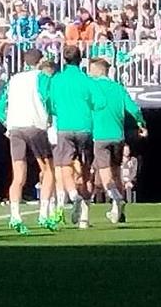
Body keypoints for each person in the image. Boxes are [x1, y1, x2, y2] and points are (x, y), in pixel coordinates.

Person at [0, 51, 56, 234]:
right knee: (48, 170)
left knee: (18, 175)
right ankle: (44, 214)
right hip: (35, 125)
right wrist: (50, 117)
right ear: (40, 61)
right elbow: (48, 99)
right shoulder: (42, 77)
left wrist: (7, 124)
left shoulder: (13, 80)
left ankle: (14, 216)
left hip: (15, 128)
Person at [84, 54, 146, 227]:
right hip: (118, 137)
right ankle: (119, 213)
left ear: (96, 70)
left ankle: (116, 198)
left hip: (99, 136)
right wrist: (141, 124)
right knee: (116, 172)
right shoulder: (118, 88)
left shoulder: (91, 86)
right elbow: (134, 108)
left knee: (103, 174)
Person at [46, 43, 95, 228]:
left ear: (64, 59)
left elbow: (50, 103)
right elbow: (97, 102)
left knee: (63, 166)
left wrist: (54, 114)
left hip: (65, 127)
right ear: (80, 59)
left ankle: (73, 196)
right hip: (85, 127)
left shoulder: (57, 80)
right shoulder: (86, 80)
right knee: (85, 170)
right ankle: (85, 216)